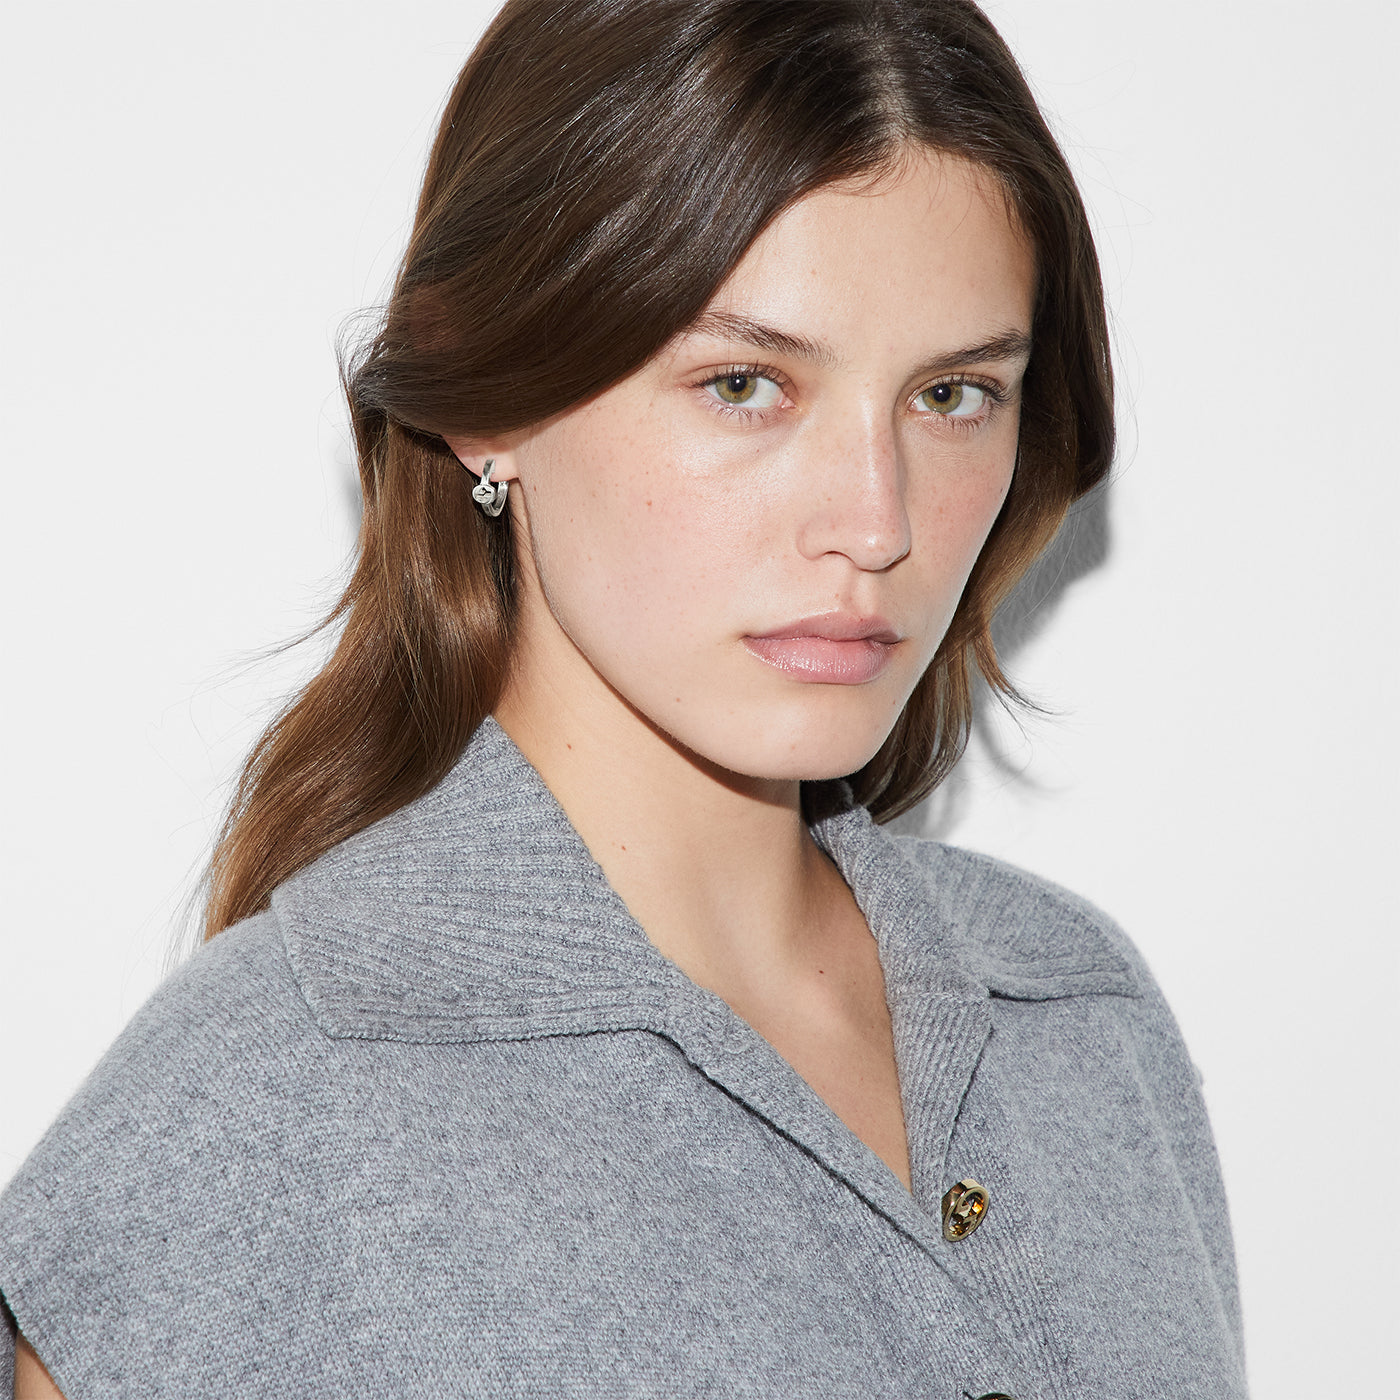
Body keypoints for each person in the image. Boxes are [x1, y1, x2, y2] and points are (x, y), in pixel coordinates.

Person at [0, 1, 1248, 1396]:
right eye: (744, 383)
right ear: (493, 396)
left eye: (953, 395)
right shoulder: (250, 1117)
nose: (876, 521)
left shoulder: (1079, 1018)